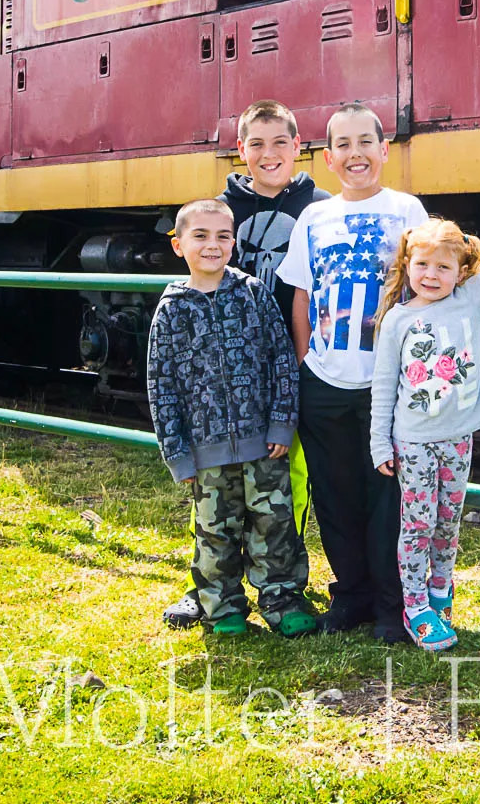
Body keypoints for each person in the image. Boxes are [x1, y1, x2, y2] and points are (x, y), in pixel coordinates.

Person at [159, 99, 323, 630]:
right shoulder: (220, 207)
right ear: (240, 150)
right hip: (218, 388)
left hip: (283, 368)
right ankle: (211, 591)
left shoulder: (318, 208)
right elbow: (162, 377)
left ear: (300, 147)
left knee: (282, 484)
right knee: (214, 498)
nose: (268, 155)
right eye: (256, 144)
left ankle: (281, 589)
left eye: (280, 143)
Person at [277, 103, 427, 644]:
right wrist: (302, 364)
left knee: (388, 498)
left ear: (385, 150)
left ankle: (394, 607)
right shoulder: (314, 218)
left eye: (366, 142)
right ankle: (352, 596)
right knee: (335, 493)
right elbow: (300, 293)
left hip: (385, 384)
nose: (355, 153)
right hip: (324, 377)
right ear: (328, 157)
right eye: (343, 144)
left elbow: (426, 285)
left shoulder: (408, 209)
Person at [370, 223, 480, 651]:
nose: (430, 275)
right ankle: (415, 606)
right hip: (414, 441)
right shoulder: (398, 321)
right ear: (407, 266)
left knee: (448, 523)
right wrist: (379, 443)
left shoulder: (472, 297)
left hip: (459, 437)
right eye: (421, 264)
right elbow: (384, 386)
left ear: (461, 272)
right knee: (418, 524)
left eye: (443, 266)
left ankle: (441, 593)